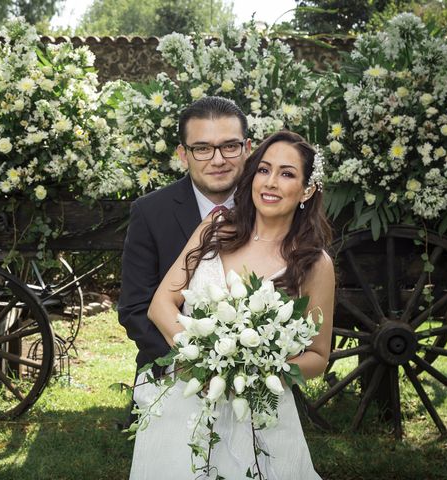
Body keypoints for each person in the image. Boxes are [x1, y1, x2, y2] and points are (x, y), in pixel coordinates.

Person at [129, 130, 335, 479]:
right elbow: (162, 302)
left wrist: (257, 374)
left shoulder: (313, 263)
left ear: (307, 189)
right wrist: (199, 360)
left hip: (257, 412)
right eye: (263, 170)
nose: (270, 183)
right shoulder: (216, 227)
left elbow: (317, 356)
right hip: (186, 398)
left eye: (287, 174)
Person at [118, 96, 251, 382]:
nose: (218, 160)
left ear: (247, 149)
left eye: (229, 146)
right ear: (183, 154)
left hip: (254, 376)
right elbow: (135, 309)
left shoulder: (268, 208)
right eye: (202, 148)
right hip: (172, 372)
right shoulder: (151, 212)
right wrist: (194, 363)